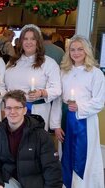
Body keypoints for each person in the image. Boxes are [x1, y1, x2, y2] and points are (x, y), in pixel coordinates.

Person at [53, 35, 105, 188]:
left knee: (84, 155)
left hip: (85, 121)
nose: (76, 53)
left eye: (80, 49)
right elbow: (57, 100)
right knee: (66, 153)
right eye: (72, 49)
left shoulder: (96, 73)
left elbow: (99, 101)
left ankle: (84, 184)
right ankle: (67, 183)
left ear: (87, 51)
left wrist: (80, 107)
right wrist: (56, 125)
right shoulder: (64, 72)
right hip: (65, 118)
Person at [0, 90, 62, 188]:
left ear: (25, 110)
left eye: (17, 108)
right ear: (4, 110)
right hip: (10, 181)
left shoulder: (41, 136)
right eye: (9, 108)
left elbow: (52, 169)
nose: (12, 112)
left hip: (35, 183)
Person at [5, 24, 61, 131]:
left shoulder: (49, 63)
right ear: (20, 42)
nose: (28, 42)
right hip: (13, 112)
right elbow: (2, 85)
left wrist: (41, 93)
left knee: (35, 144)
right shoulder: (12, 62)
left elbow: (57, 89)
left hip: (37, 111)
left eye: (33, 39)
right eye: (25, 39)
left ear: (38, 42)